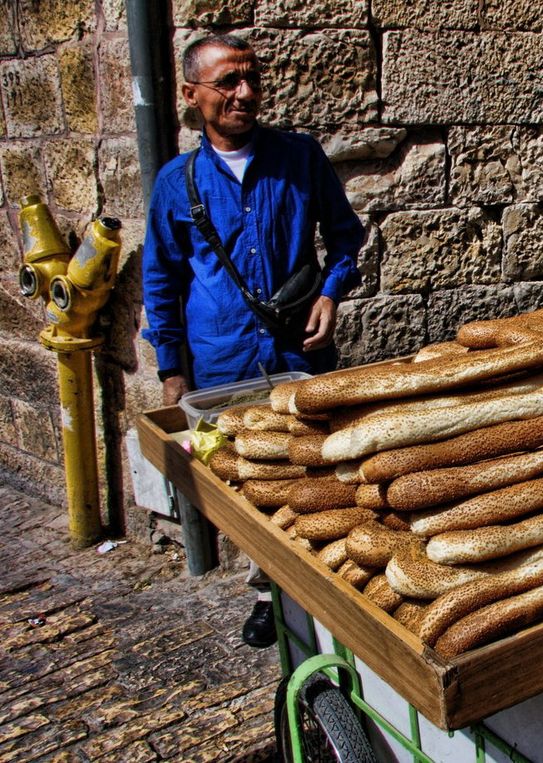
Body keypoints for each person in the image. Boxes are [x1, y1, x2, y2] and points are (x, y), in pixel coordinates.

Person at [142, 34, 363, 647]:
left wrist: (329, 294)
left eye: (251, 79)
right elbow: (161, 281)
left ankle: (329, 587)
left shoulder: (299, 158)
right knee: (249, 480)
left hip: (299, 352)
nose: (244, 94)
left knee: (318, 470)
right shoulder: (175, 183)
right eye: (227, 83)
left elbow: (346, 238)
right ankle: (269, 589)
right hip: (223, 363)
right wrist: (172, 371)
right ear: (192, 96)